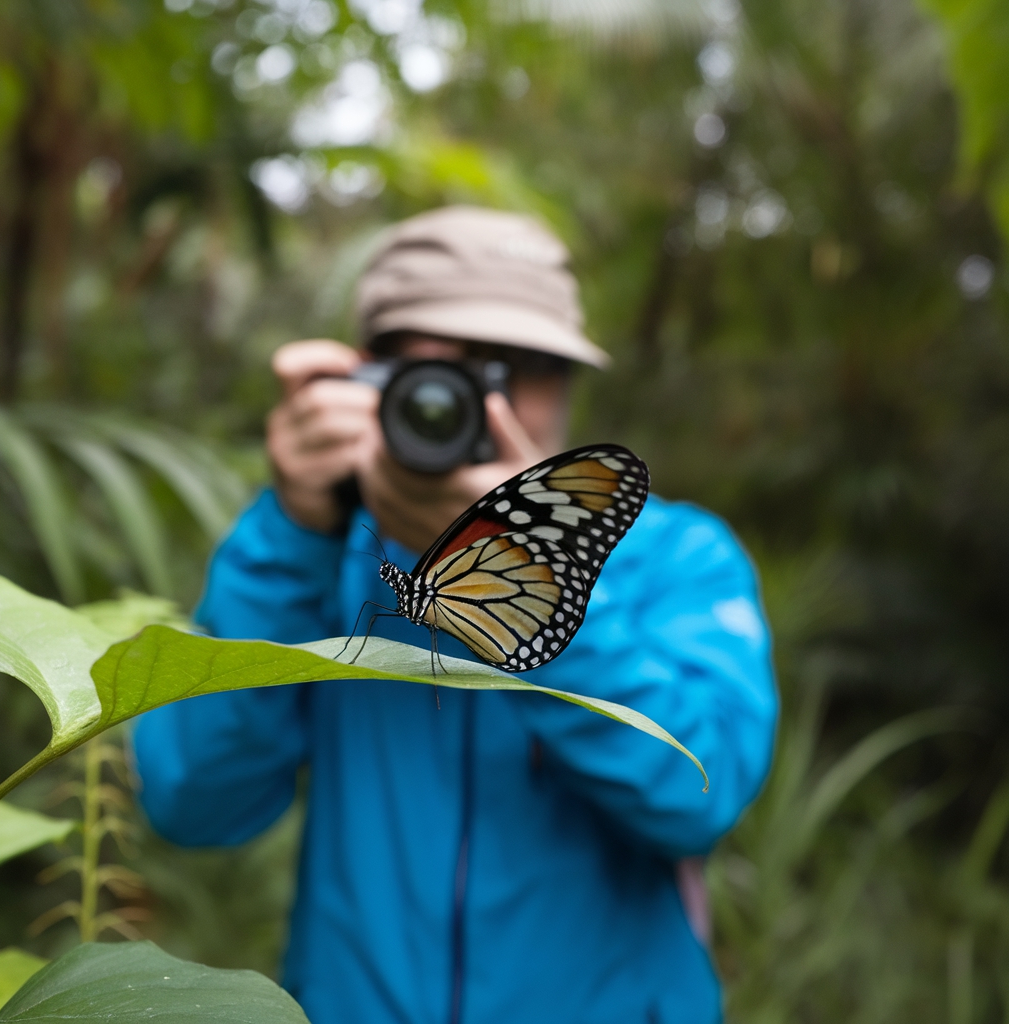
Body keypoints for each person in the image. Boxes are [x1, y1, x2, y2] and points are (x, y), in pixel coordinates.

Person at [133, 205, 777, 1024]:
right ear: (363, 379)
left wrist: (533, 576)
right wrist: (292, 530)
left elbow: (698, 797)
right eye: (436, 367)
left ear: (570, 380)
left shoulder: (679, 557)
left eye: (517, 364)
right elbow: (191, 800)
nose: (471, 399)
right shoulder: (316, 558)